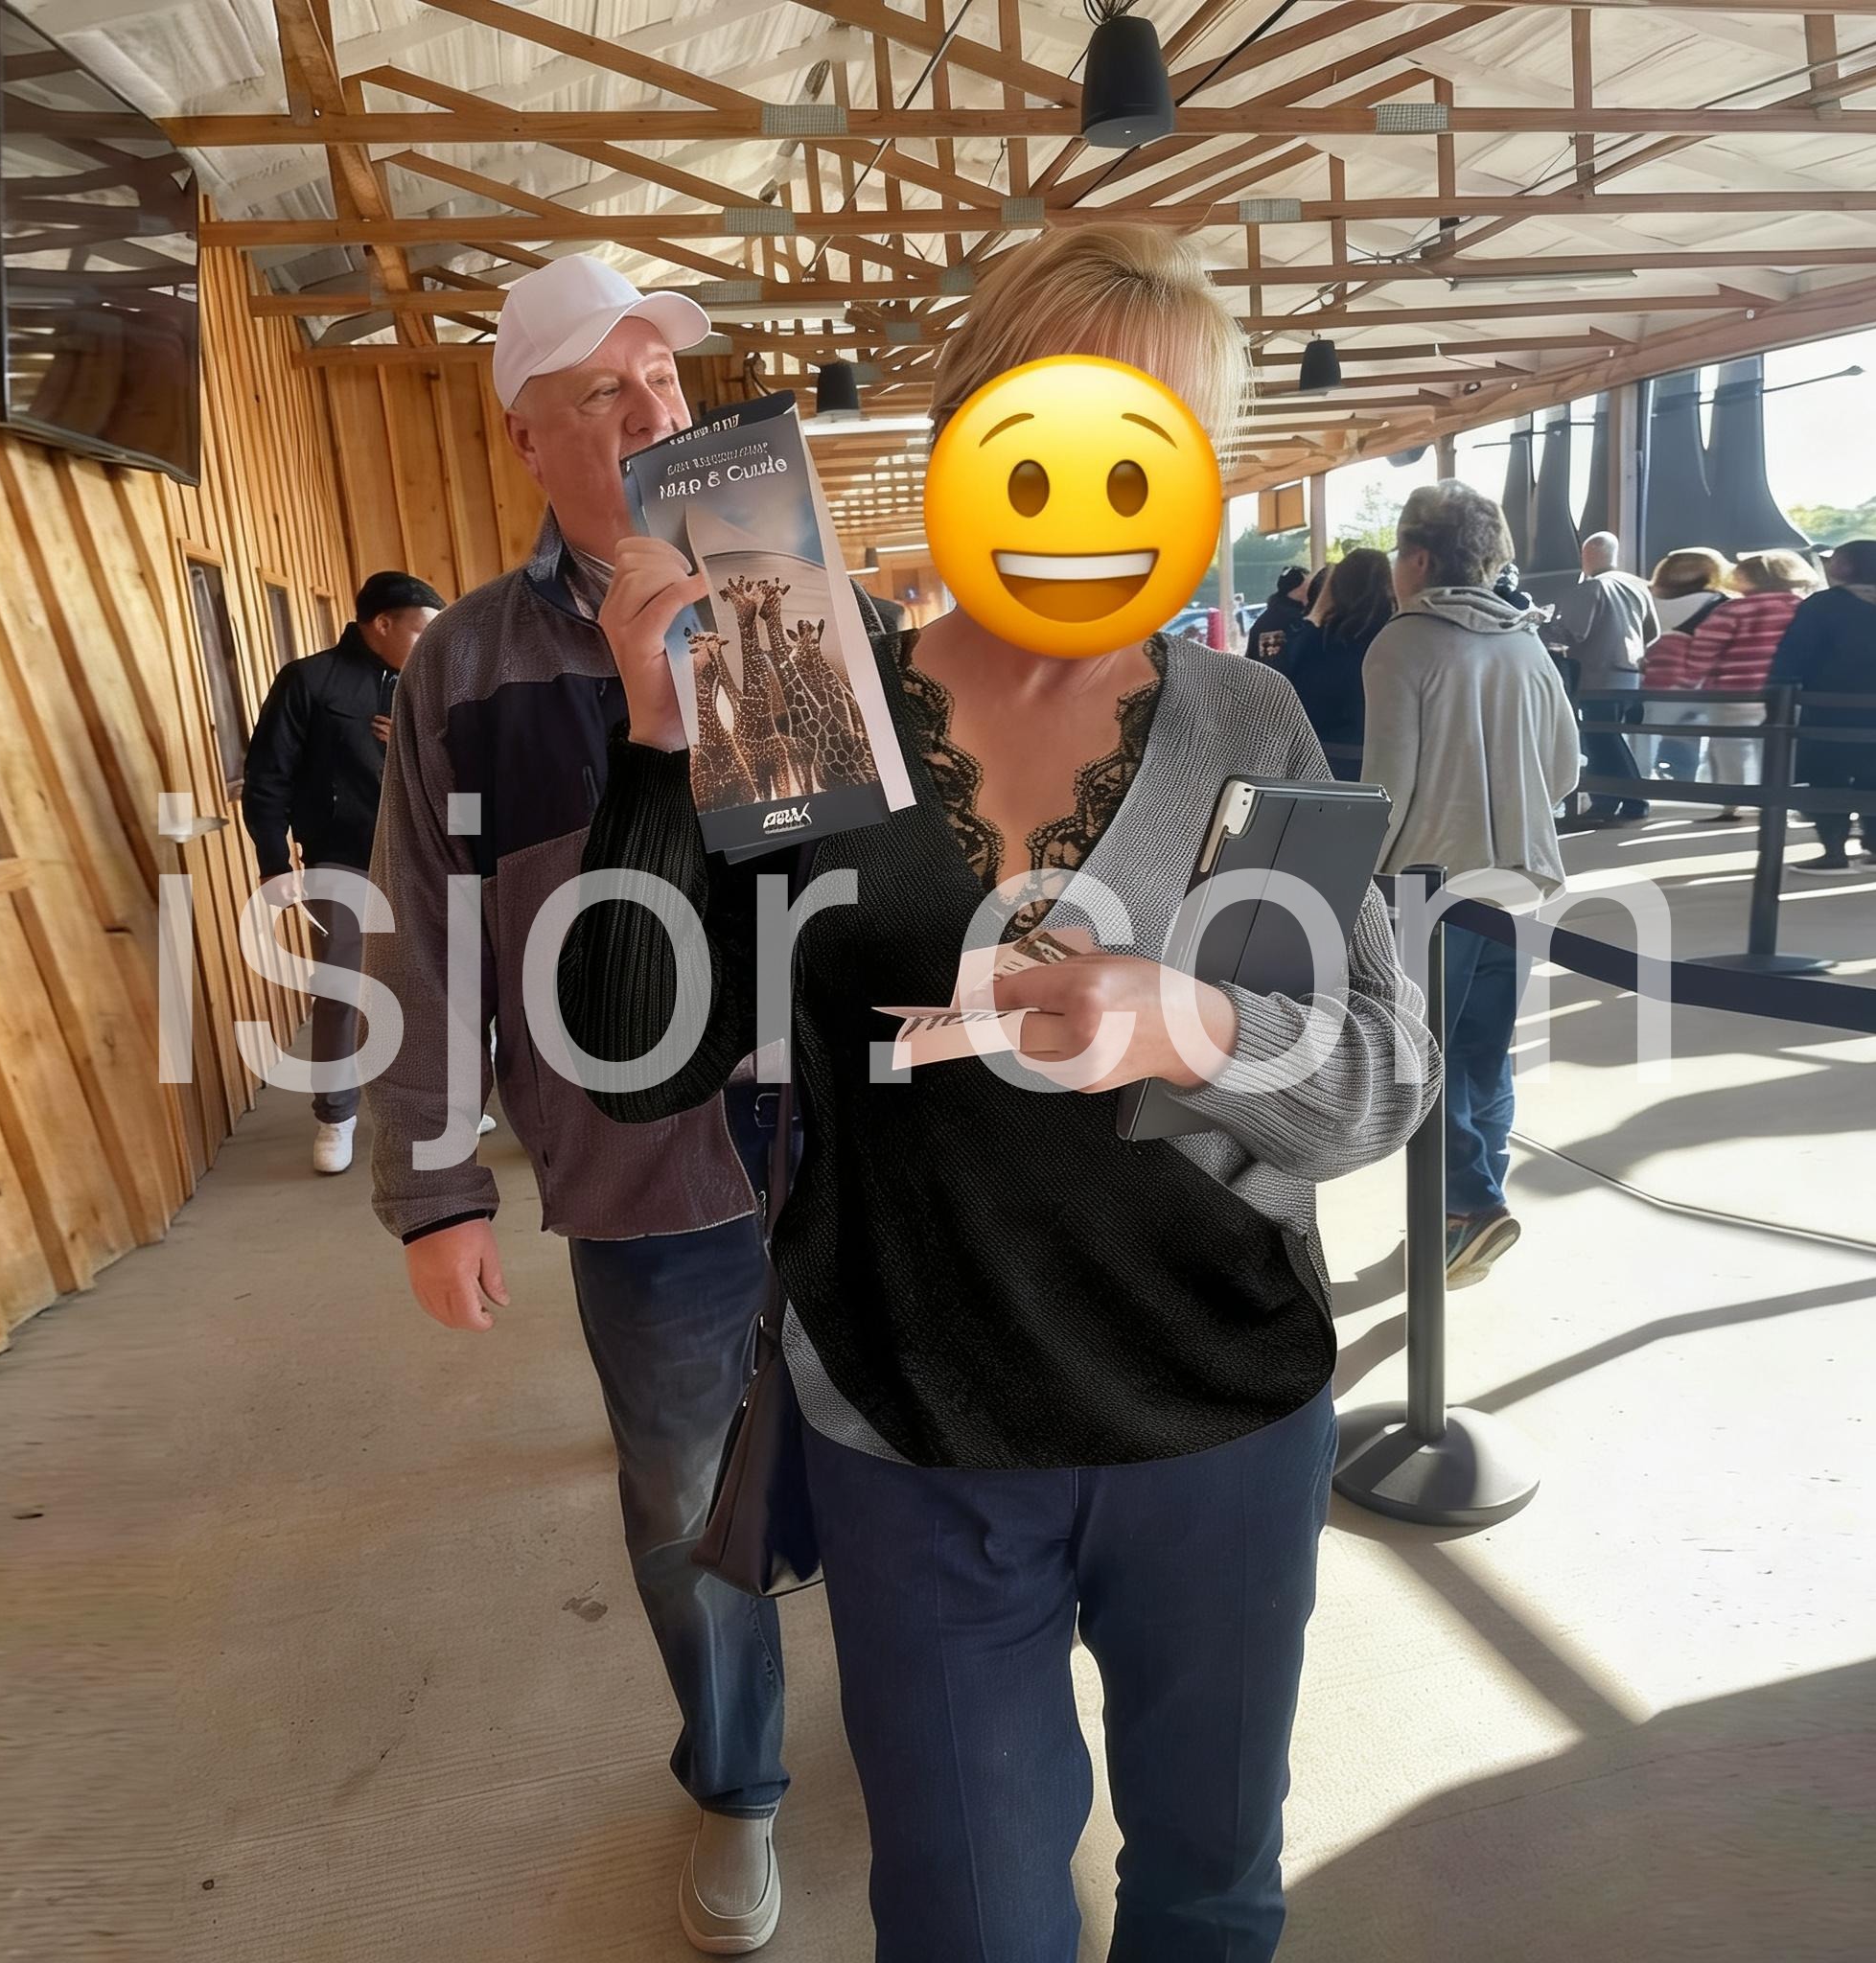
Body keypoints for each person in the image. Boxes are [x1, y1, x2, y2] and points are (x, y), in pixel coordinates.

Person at [563, 221, 1436, 1963]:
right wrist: (657, 749)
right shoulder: (802, 687)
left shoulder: (1245, 716)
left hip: (1219, 1405)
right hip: (914, 1415)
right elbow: (637, 1050)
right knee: (965, 1912)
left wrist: (1195, 1025)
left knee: (1208, 1881)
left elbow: (1379, 1076)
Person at [361, 254, 881, 1954]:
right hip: (638, 1170)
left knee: (895, 1451)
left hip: (846, 1137)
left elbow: (873, 877)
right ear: (527, 439)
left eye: (666, 379)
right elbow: (423, 929)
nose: (656, 412)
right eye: (607, 391)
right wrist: (435, 1184)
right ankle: (737, 1780)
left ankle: (912, 1712)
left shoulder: (786, 589)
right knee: (682, 1504)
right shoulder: (466, 666)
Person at [1360, 480, 1580, 1289]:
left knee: (1421, 1051)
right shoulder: (1526, 642)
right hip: (1519, 882)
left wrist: (1357, 878)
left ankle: (1466, 1206)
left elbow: (1388, 785)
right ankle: (1475, 1207)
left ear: (1418, 558)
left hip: (1429, 883)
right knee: (1485, 1052)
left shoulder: (1404, 643)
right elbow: (1566, 771)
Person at [242, 569, 446, 1173]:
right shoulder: (309, 679)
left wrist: (414, 744)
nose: (430, 645)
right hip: (342, 856)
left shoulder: (429, 684)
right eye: (421, 631)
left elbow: (468, 769)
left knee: (429, 986)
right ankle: (336, 1116)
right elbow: (268, 776)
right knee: (341, 985)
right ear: (382, 623)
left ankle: (429, 1104)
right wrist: (273, 861)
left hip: (424, 855)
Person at [1771, 537, 1876, 874]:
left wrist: (1777, 698)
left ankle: (1833, 852)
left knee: (1827, 779)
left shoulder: (1824, 605)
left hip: (1831, 710)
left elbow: (1792, 658)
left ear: (1848, 567)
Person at [1676, 550, 1818, 820]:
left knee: (1730, 747)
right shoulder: (1803, 607)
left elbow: (1706, 648)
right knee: (1782, 747)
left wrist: (1690, 679)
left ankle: (1732, 803)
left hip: (1734, 691)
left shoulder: (1733, 609)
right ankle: (1780, 798)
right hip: (1790, 692)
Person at [1549, 531, 1659, 821]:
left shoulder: (1591, 588)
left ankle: (1634, 800)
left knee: (1601, 739)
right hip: (1629, 674)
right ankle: (1606, 801)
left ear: (1586, 555)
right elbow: (1652, 632)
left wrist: (1541, 627)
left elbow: (1572, 632)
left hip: (1595, 674)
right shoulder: (1637, 587)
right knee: (1607, 737)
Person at [1276, 544, 1396, 774]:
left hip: (1315, 763)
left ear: (1336, 586)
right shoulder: (1397, 641)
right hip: (1380, 762)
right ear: (1389, 587)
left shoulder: (1306, 639)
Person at [1638, 547, 1735, 782]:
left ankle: (1638, 785)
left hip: (1644, 682)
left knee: (1643, 741)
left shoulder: (1642, 598)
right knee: (1689, 750)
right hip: (1694, 689)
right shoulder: (1719, 604)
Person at [1244, 562, 1308, 661]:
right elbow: (1272, 664)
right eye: (1308, 585)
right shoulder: (1273, 623)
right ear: (1298, 590)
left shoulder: (1280, 616)